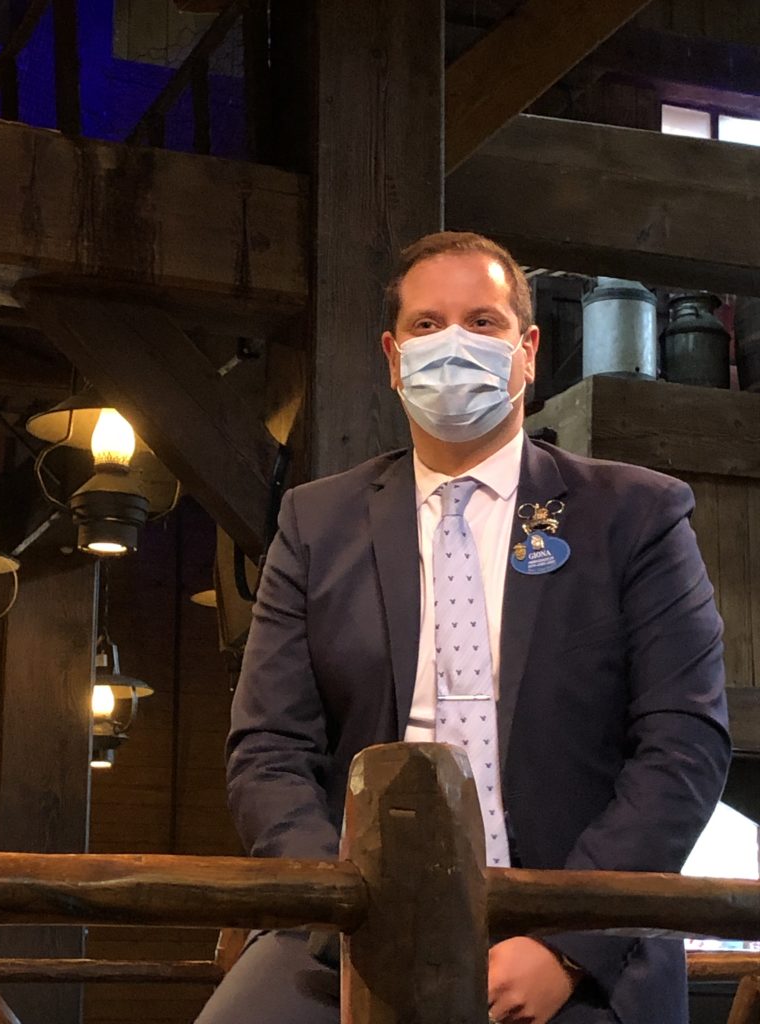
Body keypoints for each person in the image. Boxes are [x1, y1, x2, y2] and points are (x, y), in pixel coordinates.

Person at [197, 232, 730, 1024]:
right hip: (346, 924)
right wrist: (342, 911)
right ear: (393, 357)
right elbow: (268, 749)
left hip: (579, 931)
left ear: (527, 351)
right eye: (426, 324)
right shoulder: (317, 524)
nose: (453, 344)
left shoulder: (635, 515)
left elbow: (684, 744)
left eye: (482, 322)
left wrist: (565, 944)